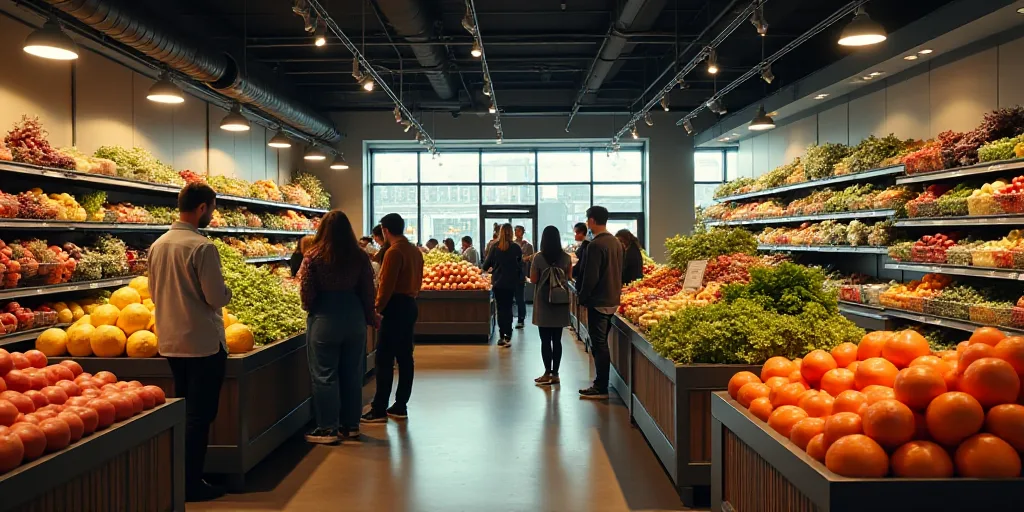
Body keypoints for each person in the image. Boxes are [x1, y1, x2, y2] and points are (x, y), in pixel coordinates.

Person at [148, 183, 231, 501]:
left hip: (170, 340)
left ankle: (182, 475)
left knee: (184, 409)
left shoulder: (158, 245)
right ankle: (192, 483)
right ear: (202, 208)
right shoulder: (202, 247)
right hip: (203, 343)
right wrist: (227, 293)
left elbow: (154, 293)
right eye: (211, 208)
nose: (211, 214)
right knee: (201, 414)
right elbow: (215, 297)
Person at [299, 211, 376, 444]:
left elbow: (306, 291)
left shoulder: (313, 256)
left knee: (324, 374)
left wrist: (310, 307)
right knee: (352, 374)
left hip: (325, 317)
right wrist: (369, 314)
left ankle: (327, 428)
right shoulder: (359, 256)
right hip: (354, 317)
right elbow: (368, 290)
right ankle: (351, 425)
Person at [362, 213, 424, 423]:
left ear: (386, 230)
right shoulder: (415, 251)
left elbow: (386, 286)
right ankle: (400, 405)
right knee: (406, 357)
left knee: (384, 359)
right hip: (410, 304)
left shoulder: (394, 252)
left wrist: (376, 309)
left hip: (394, 306)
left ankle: (379, 408)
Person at [576, 206, 623, 400]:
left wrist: (582, 297)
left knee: (599, 343)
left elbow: (590, 276)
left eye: (588, 220)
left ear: (592, 220)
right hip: (613, 298)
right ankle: (602, 381)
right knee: (602, 341)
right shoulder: (616, 242)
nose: (587, 223)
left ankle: (600, 385)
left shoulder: (596, 245)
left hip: (598, 300)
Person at [531, 226, 571, 385]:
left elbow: (533, 279)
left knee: (545, 340)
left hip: (543, 302)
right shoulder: (566, 258)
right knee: (558, 340)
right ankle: (556, 374)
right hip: (560, 302)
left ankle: (547, 372)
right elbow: (569, 277)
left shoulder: (538, 258)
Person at [482, 223, 523, 347]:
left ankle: (501, 335)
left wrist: (494, 267)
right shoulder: (516, 247)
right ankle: (508, 334)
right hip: (511, 282)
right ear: (511, 233)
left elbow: (485, 265)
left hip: (498, 282)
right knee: (508, 307)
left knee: (500, 309)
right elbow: (520, 265)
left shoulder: (494, 247)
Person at [513, 225, 534, 329]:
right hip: (510, 274)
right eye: (516, 231)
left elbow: (531, 258)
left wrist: (525, 259)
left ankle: (521, 318)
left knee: (520, 297)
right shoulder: (511, 244)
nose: (517, 232)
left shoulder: (528, 245)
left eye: (519, 231)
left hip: (521, 273)